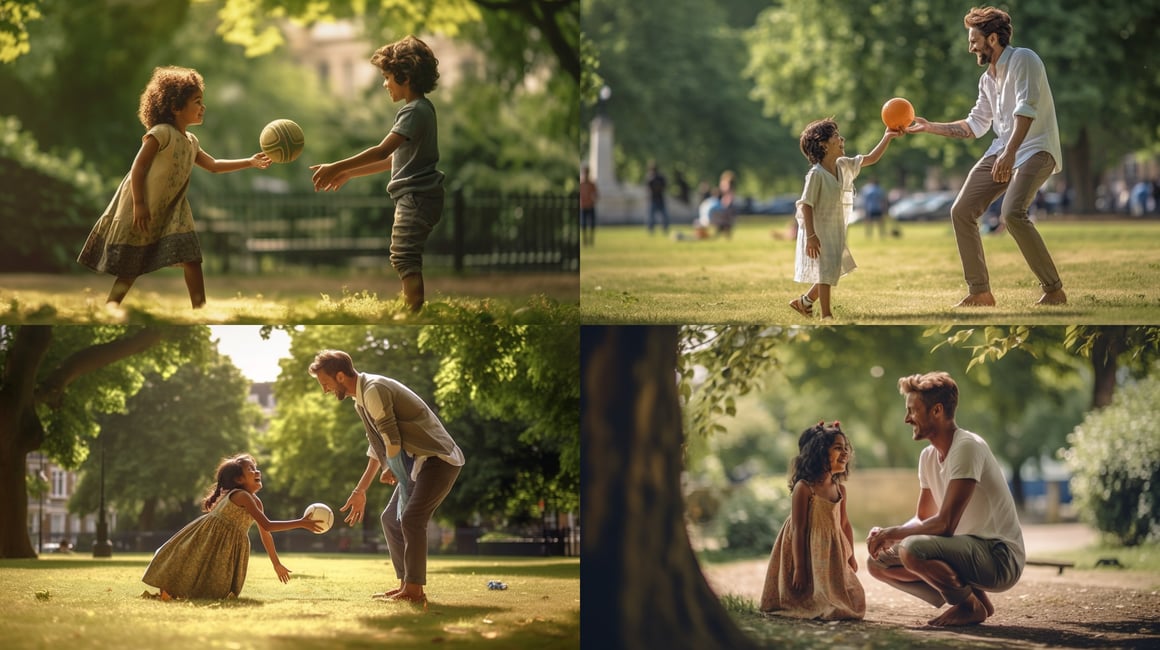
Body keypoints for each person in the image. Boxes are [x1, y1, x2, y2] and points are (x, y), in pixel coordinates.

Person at [78, 66, 271, 313]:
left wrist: (250, 161)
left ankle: (200, 309)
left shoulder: (191, 142)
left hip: (173, 211)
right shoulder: (161, 134)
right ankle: (111, 308)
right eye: (197, 101)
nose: (203, 107)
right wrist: (139, 204)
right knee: (131, 267)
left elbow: (212, 165)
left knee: (192, 258)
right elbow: (138, 168)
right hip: (145, 206)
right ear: (175, 106)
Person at [907, 7, 1066, 307]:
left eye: (974, 40)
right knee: (961, 211)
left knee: (1012, 213)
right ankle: (980, 292)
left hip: (1035, 148)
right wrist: (930, 127)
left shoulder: (1024, 59)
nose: (970, 47)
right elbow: (974, 125)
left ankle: (1054, 289)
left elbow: (1026, 109)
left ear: (993, 38)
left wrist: (1010, 152)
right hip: (1002, 149)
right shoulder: (987, 79)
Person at [865, 372, 1025, 627]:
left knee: (912, 549)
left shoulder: (967, 447)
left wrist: (893, 533)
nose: (907, 419)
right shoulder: (928, 457)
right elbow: (924, 518)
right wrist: (886, 535)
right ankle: (975, 600)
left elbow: (945, 524)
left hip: (999, 556)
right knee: (877, 564)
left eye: (912, 411)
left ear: (937, 410)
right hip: (966, 551)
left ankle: (967, 606)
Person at [309, 349, 465, 604]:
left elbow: (391, 438)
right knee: (391, 519)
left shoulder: (373, 390)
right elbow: (377, 447)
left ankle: (414, 590)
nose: (325, 390)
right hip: (417, 462)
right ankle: (407, 584)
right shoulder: (361, 399)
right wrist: (360, 490)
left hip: (438, 459)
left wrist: (391, 465)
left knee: (412, 518)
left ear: (339, 377)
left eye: (325, 384)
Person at [311, 35, 444, 312]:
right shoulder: (422, 110)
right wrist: (350, 174)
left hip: (416, 197)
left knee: (405, 257)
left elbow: (382, 151)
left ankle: (413, 312)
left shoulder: (413, 111)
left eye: (387, 77)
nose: (385, 84)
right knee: (404, 256)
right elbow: (394, 160)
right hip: (419, 196)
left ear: (404, 76)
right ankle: (412, 307)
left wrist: (337, 166)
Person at [142, 453, 322, 600]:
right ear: (238, 479)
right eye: (250, 469)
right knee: (193, 564)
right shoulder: (241, 496)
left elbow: (265, 532)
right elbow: (268, 524)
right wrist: (301, 522)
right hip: (209, 537)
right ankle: (171, 592)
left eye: (255, 467)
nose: (256, 470)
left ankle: (182, 593)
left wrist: (276, 564)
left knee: (214, 583)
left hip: (227, 544)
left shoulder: (256, 502)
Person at [790, 118, 902, 319]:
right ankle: (826, 315)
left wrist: (888, 136)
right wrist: (811, 236)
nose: (842, 139)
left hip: (835, 229)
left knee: (832, 268)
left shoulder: (843, 165)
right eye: (835, 136)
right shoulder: (816, 174)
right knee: (825, 272)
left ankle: (804, 302)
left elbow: (871, 158)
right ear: (823, 145)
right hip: (818, 229)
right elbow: (806, 204)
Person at [760, 421, 864, 620]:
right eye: (837, 448)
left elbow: (844, 524)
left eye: (846, 448)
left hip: (831, 550)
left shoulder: (840, 490)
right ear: (820, 452)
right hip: (805, 548)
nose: (845, 453)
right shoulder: (804, 488)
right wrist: (799, 567)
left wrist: (850, 556)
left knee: (853, 600)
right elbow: (799, 529)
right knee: (810, 594)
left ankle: (828, 601)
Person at [645, 161, 669, 234]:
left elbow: (664, 186)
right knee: (652, 217)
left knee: (662, 216)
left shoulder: (658, 177)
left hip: (658, 199)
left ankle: (663, 228)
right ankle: (652, 229)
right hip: (654, 199)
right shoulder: (650, 177)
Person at [580, 165, 598, 247]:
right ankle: (585, 241)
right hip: (583, 207)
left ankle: (591, 240)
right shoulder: (581, 184)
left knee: (592, 224)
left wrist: (593, 200)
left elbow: (596, 195)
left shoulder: (591, 184)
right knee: (583, 225)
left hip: (590, 206)